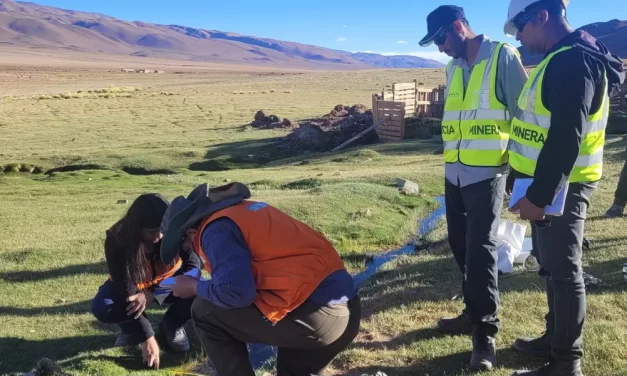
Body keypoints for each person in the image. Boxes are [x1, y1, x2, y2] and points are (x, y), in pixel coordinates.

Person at [504, 0, 625, 375]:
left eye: (520, 27)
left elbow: (564, 139)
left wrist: (539, 198)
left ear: (541, 16)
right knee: (551, 267)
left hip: (562, 188)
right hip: (547, 185)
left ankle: (566, 362)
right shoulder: (559, 58)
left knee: (564, 271)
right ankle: (554, 336)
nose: (519, 36)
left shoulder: (573, 61)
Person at [418, 4, 528, 371]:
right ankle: (471, 313)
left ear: (459, 27)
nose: (439, 48)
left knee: (480, 256)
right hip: (454, 176)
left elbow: (525, 118)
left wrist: (520, 174)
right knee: (461, 246)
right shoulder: (452, 68)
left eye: (440, 39)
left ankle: (485, 336)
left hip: (488, 177)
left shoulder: (502, 57)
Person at [158, 183, 360, 376]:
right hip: (347, 307)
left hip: (318, 318)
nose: (189, 251)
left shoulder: (214, 231)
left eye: (185, 246)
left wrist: (193, 287)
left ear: (192, 232)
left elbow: (236, 294)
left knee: (203, 310)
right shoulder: (243, 211)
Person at [91, 193, 202, 370]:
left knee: (199, 290)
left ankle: (172, 326)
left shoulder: (177, 229)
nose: (158, 235)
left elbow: (193, 268)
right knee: (104, 306)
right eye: (151, 231)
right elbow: (123, 285)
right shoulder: (117, 239)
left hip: (170, 283)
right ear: (137, 227)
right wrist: (147, 337)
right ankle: (132, 331)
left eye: (161, 230)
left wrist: (155, 293)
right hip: (131, 287)